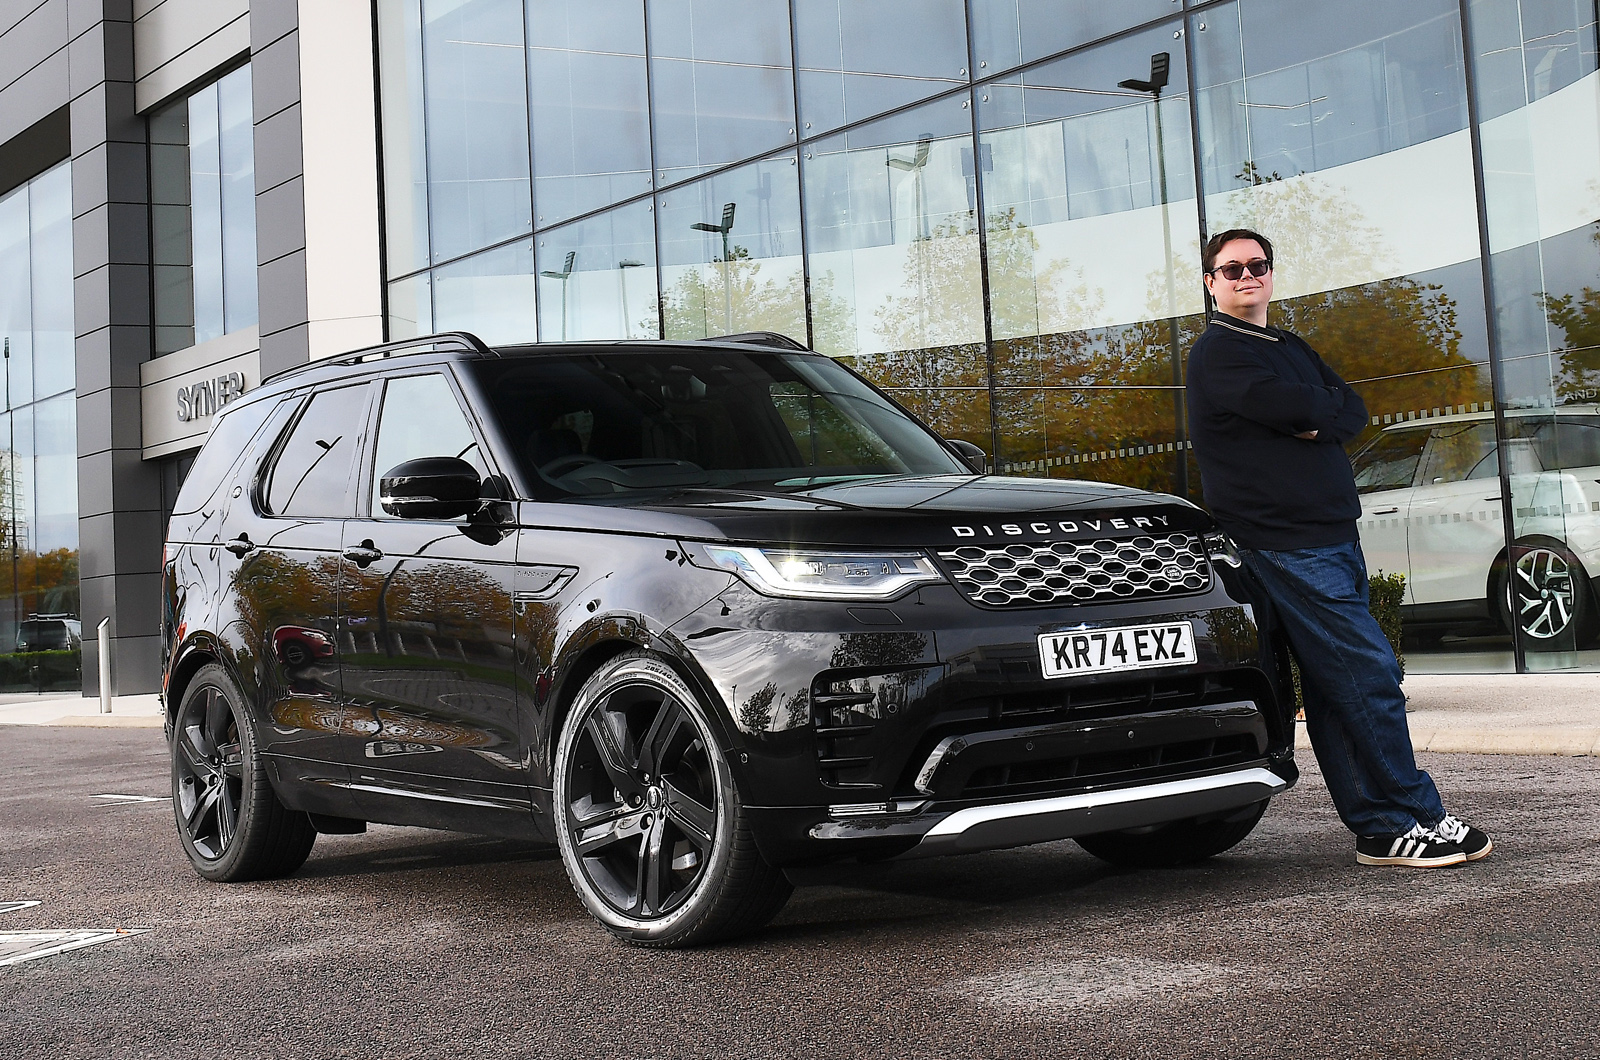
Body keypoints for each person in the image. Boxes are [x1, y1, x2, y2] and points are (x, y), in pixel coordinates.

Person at [1184, 227, 1492, 868]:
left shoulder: (1288, 344)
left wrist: (1315, 414)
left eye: (1258, 265)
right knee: (1371, 674)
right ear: (1211, 283)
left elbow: (1349, 409)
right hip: (1284, 540)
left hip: (1333, 533)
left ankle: (1380, 827)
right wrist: (1312, 413)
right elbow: (1295, 407)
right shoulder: (1218, 353)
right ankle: (1419, 814)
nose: (1247, 276)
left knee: (1334, 685)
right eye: (1232, 268)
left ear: (1271, 274)